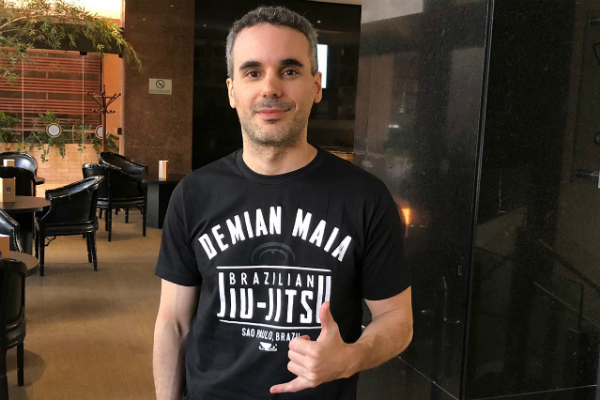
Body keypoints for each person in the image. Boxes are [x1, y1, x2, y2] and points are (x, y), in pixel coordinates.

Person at [153, 6, 413, 400]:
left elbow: (396, 319)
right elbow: (173, 323)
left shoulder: (366, 198)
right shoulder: (193, 194)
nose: (271, 88)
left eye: (289, 71)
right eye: (252, 72)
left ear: (316, 85)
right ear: (232, 91)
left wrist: (350, 357)